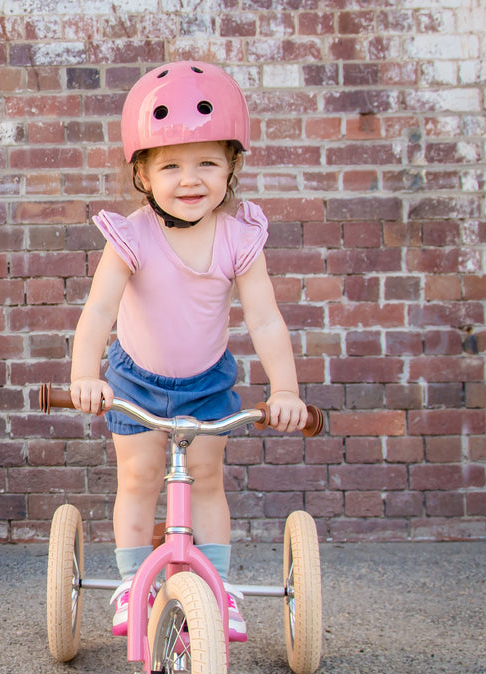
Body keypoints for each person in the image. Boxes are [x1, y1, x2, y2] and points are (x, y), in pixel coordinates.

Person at [70, 61, 308, 641]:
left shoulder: (238, 237)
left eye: (208, 162)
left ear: (232, 167)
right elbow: (99, 312)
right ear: (143, 176)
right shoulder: (131, 236)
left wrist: (285, 390)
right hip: (135, 380)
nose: (191, 178)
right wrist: (85, 375)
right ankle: (132, 582)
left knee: (205, 478)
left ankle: (217, 586)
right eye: (170, 164)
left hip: (206, 382)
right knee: (140, 477)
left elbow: (265, 319)